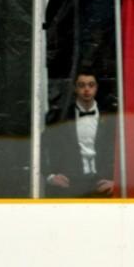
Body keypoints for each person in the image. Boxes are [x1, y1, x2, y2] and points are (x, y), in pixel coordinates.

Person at [42, 70, 116, 198]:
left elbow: (126, 150)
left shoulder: (111, 117)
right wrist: (50, 176)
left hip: (102, 185)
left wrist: (118, 181)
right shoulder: (61, 117)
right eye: (81, 85)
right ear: (75, 88)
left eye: (91, 85)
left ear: (96, 88)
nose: (86, 89)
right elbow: (39, 146)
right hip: (69, 185)